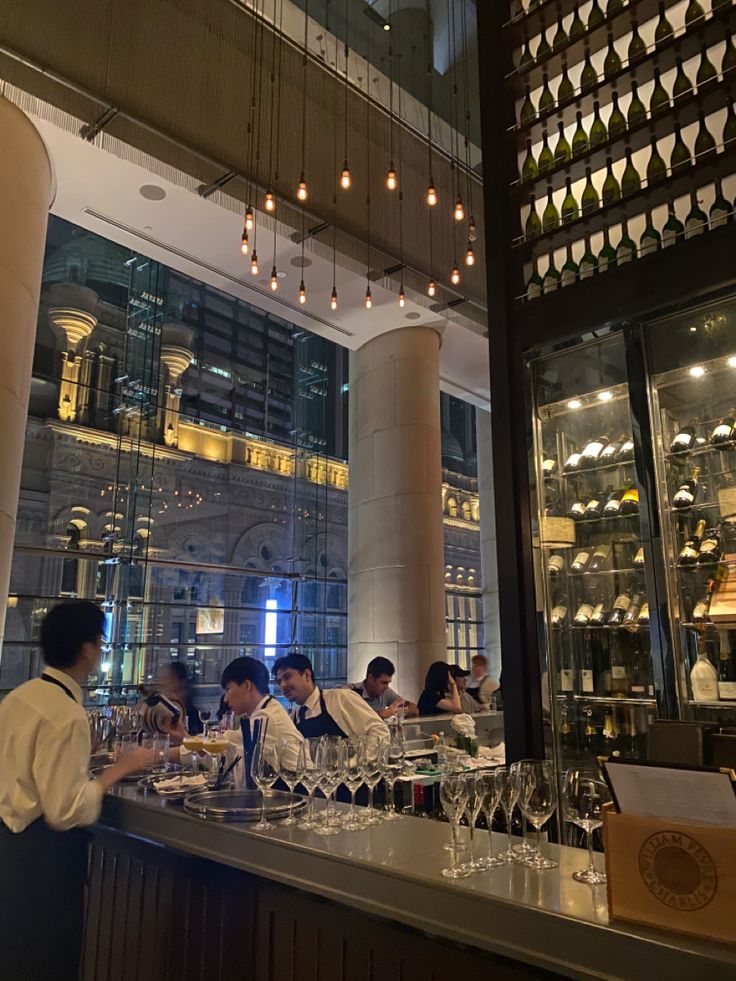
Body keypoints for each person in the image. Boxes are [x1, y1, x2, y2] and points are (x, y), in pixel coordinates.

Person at [0, 600, 152, 981]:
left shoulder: (20, 696)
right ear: (86, 648)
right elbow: (64, 810)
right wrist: (120, 769)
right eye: (100, 642)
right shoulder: (66, 714)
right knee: (46, 961)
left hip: (8, 847)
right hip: (40, 864)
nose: (101, 650)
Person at [220, 656, 305, 788]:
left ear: (247, 686)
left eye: (228, 689)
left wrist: (187, 745)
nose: (225, 699)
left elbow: (228, 748)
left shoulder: (267, 716)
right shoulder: (265, 709)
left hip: (300, 793)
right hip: (288, 793)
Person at [273, 652, 389, 743]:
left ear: (307, 675)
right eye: (279, 681)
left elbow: (380, 731)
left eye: (287, 677)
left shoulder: (340, 698)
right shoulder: (295, 717)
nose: (283, 685)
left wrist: (354, 764)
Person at [349, 655, 418, 719]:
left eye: (388, 683)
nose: (386, 687)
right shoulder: (351, 691)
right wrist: (382, 714)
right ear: (371, 678)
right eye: (383, 683)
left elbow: (414, 709)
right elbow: (354, 719)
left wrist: (401, 710)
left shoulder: (386, 692)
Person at [160, 660, 202, 734]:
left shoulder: (191, 713)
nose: (163, 682)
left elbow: (192, 739)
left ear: (178, 681)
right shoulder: (163, 709)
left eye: (168, 678)